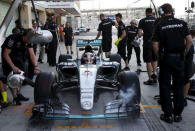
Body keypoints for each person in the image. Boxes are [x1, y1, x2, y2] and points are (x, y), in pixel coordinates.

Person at [152, 3, 192, 123]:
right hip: (179, 58)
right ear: (172, 11)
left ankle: (168, 114)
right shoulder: (182, 23)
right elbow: (189, 41)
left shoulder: (160, 25)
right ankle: (178, 114)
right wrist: (184, 53)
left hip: (166, 58)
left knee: (165, 86)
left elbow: (154, 44)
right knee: (178, 86)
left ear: (161, 12)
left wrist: (159, 56)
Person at [1, 29, 41, 105]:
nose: (30, 41)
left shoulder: (29, 40)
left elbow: (32, 54)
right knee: (12, 77)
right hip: (8, 58)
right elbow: (5, 54)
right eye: (30, 39)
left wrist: (35, 66)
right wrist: (13, 67)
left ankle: (18, 94)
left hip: (18, 57)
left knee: (21, 75)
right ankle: (15, 97)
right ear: (25, 36)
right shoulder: (12, 39)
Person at [138, 8, 157, 85]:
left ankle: (150, 79)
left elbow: (139, 34)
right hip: (156, 42)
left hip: (147, 43)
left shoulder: (142, 20)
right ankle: (154, 75)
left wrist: (143, 34)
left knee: (148, 61)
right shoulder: (156, 20)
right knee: (155, 59)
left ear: (146, 13)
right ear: (152, 13)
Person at [184, 25, 195, 106]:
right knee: (186, 79)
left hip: (184, 61)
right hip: (188, 62)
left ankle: (182, 97)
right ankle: (183, 98)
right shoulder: (190, 41)